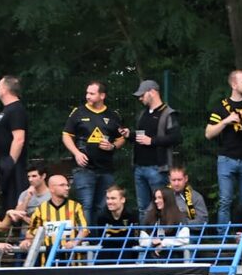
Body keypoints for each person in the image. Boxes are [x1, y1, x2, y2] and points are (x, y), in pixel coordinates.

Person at [205, 70, 242, 224]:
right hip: (226, 159)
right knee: (225, 200)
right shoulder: (221, 107)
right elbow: (209, 133)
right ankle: (223, 238)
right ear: (234, 84)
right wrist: (226, 121)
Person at [61, 79, 125, 221]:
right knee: (86, 204)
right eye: (87, 93)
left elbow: (121, 137)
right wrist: (76, 153)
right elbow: (66, 135)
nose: (88, 96)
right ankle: (85, 241)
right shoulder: (78, 112)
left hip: (106, 169)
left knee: (103, 206)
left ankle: (98, 240)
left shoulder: (112, 115)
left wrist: (112, 146)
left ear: (102, 96)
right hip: (83, 168)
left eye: (92, 93)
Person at [131, 79, 181, 215]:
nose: (140, 98)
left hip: (158, 168)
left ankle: (162, 235)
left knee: (160, 207)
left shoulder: (168, 113)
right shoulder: (142, 114)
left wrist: (152, 141)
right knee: (142, 208)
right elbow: (140, 137)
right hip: (139, 167)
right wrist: (128, 134)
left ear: (152, 92)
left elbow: (175, 137)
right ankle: (144, 236)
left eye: (142, 95)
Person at [25, 172, 89, 257]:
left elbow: (84, 229)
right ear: (52, 188)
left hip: (71, 260)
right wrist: (27, 241)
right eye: (62, 185)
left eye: (67, 185)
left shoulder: (76, 207)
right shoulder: (40, 209)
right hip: (47, 259)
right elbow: (31, 231)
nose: (66, 188)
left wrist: (74, 242)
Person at [0, 76, 28, 211]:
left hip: (11, 166)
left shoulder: (16, 109)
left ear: (6, 89)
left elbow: (19, 139)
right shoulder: (7, 110)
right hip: (2, 164)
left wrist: (9, 163)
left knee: (13, 200)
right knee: (4, 201)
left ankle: (14, 230)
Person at [97, 184, 137, 258]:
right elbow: (102, 240)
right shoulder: (102, 216)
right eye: (108, 198)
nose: (109, 202)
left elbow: (134, 240)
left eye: (113, 198)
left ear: (122, 200)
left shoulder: (131, 215)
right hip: (107, 253)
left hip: (126, 253)